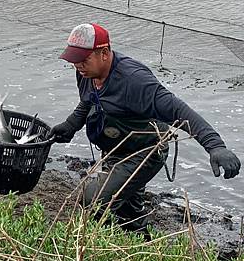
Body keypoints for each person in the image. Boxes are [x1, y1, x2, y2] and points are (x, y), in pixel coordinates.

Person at [47, 23, 241, 233]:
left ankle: (107, 243)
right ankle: (136, 243)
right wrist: (71, 124)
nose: (78, 66)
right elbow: (88, 100)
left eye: (83, 60)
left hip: (144, 152)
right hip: (115, 149)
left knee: (93, 199)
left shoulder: (135, 81)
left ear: (104, 53)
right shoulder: (86, 73)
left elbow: (179, 111)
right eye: (74, 60)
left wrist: (215, 146)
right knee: (126, 212)